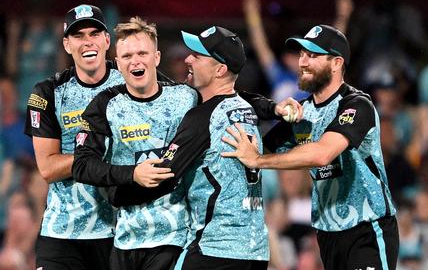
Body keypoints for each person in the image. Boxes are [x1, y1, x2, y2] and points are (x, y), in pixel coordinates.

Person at [107, 25, 301, 270]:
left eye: (197, 56)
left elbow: (164, 176)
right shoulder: (246, 110)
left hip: (215, 250)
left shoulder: (203, 117)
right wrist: (275, 109)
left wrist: (117, 195)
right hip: (256, 250)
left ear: (220, 70)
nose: (188, 59)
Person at [222, 24, 399, 270]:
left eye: (312, 56)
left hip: (367, 229)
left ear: (336, 63)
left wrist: (259, 160)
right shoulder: (302, 113)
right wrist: (271, 110)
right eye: (302, 54)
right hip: (327, 233)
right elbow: (259, 146)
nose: (302, 62)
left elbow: (322, 154)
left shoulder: (357, 105)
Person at [72, 17, 199, 270]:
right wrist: (133, 174)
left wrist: (271, 107)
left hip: (173, 238)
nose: (136, 60)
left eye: (142, 53)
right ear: (118, 64)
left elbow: (227, 96)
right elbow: (82, 166)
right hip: (124, 241)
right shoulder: (105, 105)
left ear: (157, 57)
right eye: (127, 56)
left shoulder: (186, 97)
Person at [23, 4, 124, 270]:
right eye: (78, 36)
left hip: (118, 233)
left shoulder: (131, 85)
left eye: (94, 33)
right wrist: (99, 149)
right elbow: (47, 168)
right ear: (67, 45)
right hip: (61, 235)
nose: (87, 42)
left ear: (106, 40)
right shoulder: (47, 93)